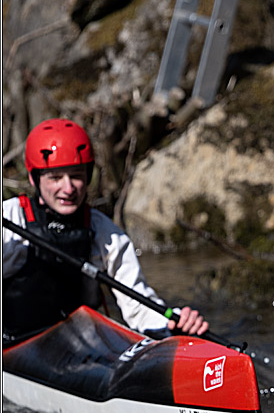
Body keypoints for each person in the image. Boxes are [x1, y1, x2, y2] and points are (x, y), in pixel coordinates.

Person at [3, 118, 208, 340]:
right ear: (34, 178)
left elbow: (139, 308)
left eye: (76, 176)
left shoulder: (104, 232)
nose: (68, 188)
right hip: (13, 347)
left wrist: (173, 322)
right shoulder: (10, 218)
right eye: (55, 178)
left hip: (78, 349)